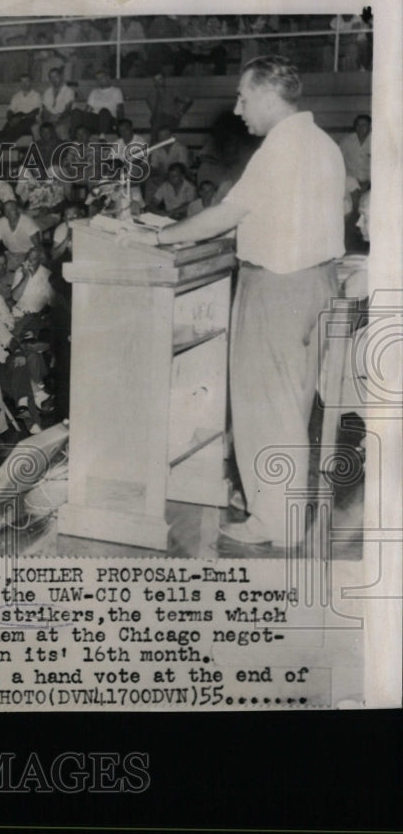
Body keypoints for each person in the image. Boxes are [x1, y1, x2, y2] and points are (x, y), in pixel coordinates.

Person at [121, 56, 344, 549]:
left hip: (277, 289)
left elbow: (224, 215)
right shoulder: (326, 144)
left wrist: (159, 238)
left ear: (267, 94)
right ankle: (282, 510)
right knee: (292, 406)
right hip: (319, 284)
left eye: (244, 97)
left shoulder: (280, 148)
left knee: (264, 407)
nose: (239, 109)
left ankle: (275, 522)